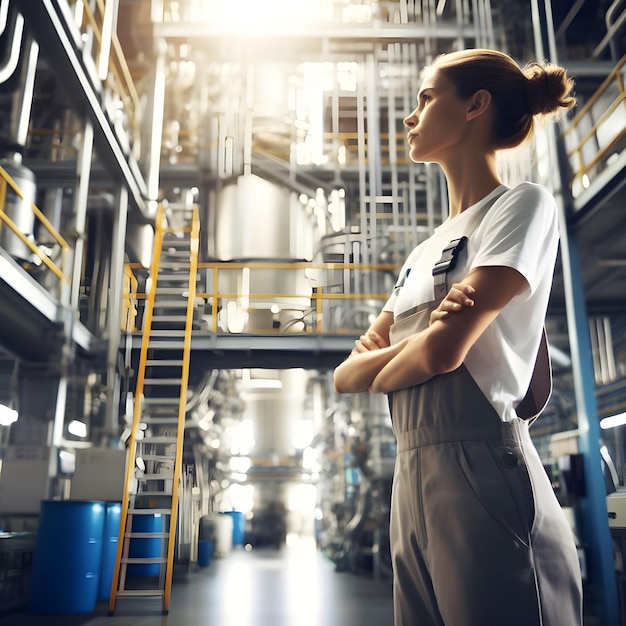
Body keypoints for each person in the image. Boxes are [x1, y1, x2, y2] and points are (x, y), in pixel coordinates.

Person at [333, 48, 582, 626]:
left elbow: (445, 351)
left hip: (482, 469)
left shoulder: (520, 206)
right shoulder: (422, 255)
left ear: (476, 105)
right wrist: (424, 344)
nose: (409, 117)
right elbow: (347, 376)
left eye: (425, 98)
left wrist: (402, 358)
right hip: (409, 475)